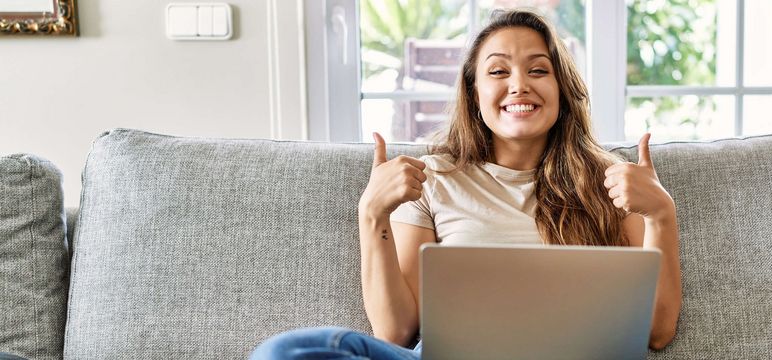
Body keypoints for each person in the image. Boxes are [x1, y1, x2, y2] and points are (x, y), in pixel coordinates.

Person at [250, 9, 681, 360]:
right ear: (474, 94)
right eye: (498, 72)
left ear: (561, 90)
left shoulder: (613, 181)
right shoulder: (433, 179)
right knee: (292, 351)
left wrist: (661, 213)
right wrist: (372, 213)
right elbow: (396, 332)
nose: (519, 84)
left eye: (538, 69)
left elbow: (657, 333)